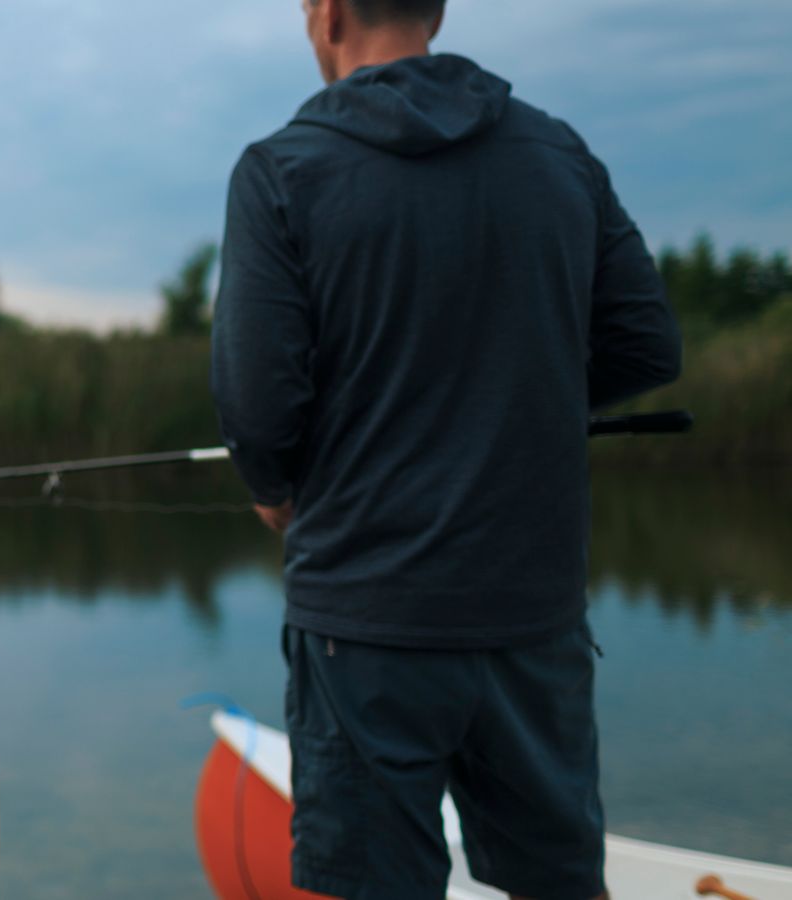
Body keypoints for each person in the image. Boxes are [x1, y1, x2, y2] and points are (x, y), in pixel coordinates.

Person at [210, 1, 682, 898]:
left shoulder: (280, 171)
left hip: (364, 620)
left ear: (330, 12)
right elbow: (646, 345)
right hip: (532, 615)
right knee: (559, 881)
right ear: (435, 8)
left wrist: (272, 484)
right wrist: (523, 399)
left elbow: (257, 399)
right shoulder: (558, 153)